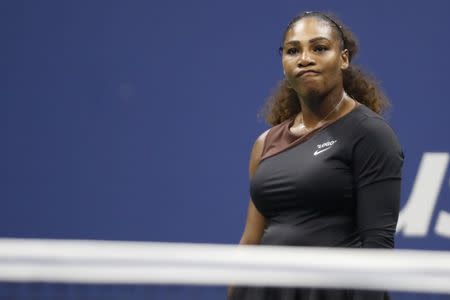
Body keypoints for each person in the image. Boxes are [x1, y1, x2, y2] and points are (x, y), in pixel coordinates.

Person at [229, 11, 404, 300]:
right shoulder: (265, 143)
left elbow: (378, 249)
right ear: (284, 63)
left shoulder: (370, 134)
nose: (305, 58)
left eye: (319, 48)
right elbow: (251, 240)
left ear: (343, 58)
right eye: (293, 50)